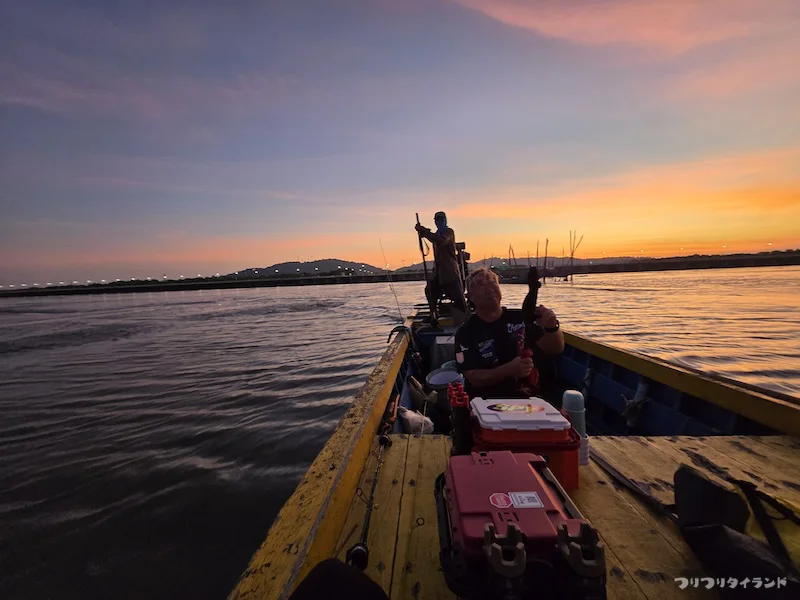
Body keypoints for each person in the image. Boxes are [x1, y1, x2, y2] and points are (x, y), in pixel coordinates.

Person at [455, 267, 564, 399]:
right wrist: (510, 370)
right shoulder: (465, 332)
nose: (490, 288)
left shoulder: (521, 318)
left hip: (529, 399)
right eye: (481, 284)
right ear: (469, 297)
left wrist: (551, 326)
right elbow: (474, 378)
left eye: (493, 282)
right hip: (486, 402)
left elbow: (555, 348)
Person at [414, 211, 467, 323]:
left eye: (441, 219)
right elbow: (434, 238)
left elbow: (441, 241)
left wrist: (425, 232)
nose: (439, 222)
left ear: (445, 220)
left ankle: (465, 318)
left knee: (458, 299)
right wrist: (423, 232)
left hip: (450, 272)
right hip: (439, 272)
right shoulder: (436, 234)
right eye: (437, 220)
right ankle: (433, 314)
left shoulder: (448, 232)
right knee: (430, 290)